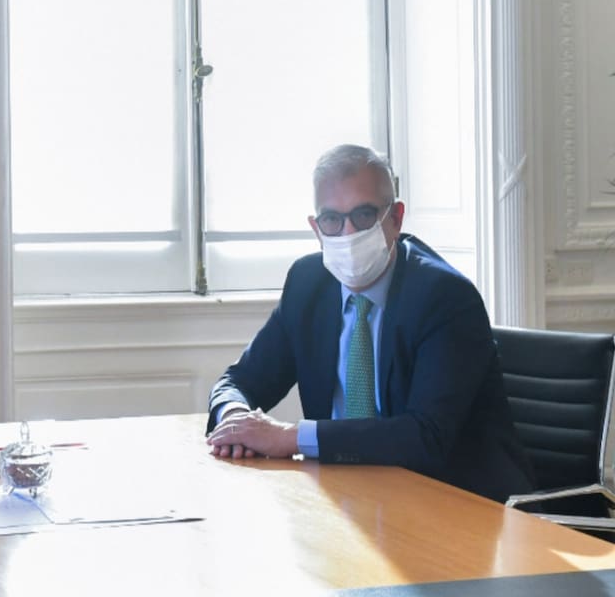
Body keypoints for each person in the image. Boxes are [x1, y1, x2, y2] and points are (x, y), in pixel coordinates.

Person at [205, 144, 534, 503]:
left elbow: (426, 436)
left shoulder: (444, 296)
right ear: (316, 228)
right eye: (332, 219)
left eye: (363, 215)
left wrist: (288, 437)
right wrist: (235, 419)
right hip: (350, 497)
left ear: (395, 218)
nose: (347, 233)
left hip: (456, 501)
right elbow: (239, 380)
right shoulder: (308, 283)